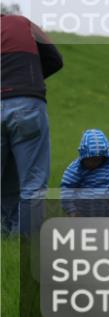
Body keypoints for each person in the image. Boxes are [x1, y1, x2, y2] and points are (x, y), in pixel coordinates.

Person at [1, 13, 63, 235]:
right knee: (33, 185)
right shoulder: (23, 23)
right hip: (28, 104)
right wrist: (29, 80)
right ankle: (27, 246)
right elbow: (55, 60)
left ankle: (4, 238)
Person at [60, 129, 109, 217]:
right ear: (83, 156)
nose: (94, 163)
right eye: (90, 160)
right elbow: (66, 190)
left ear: (103, 156)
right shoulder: (76, 169)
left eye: (97, 160)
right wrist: (72, 210)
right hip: (83, 214)